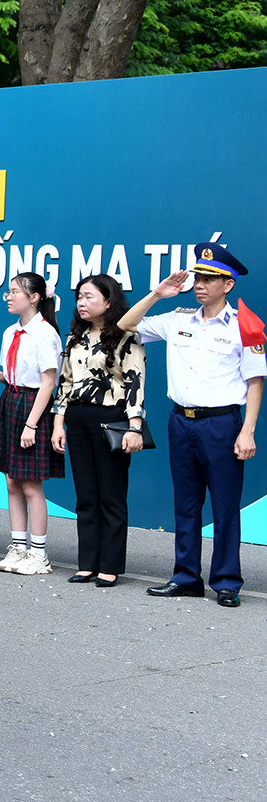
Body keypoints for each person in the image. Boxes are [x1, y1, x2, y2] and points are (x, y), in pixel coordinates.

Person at [121, 243, 263, 606]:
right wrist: (159, 293)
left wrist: (247, 431)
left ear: (227, 285)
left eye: (209, 279)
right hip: (181, 422)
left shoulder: (242, 326)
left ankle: (227, 581)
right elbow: (126, 324)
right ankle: (186, 576)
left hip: (222, 424)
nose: (200, 284)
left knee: (225, 505)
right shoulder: (178, 319)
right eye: (198, 277)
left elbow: (255, 381)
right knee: (185, 504)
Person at [50, 275, 147, 587]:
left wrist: (135, 427)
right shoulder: (74, 338)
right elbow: (64, 383)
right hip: (77, 418)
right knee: (86, 494)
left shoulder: (125, 336)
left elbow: (135, 382)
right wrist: (57, 423)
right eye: (79, 296)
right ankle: (87, 562)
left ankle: (110, 565)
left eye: (89, 297)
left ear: (109, 301)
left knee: (111, 494)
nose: (82, 302)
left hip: (112, 418)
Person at [0, 272, 64, 576]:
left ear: (35, 297)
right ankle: (18, 546)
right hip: (11, 401)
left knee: (31, 484)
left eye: (15, 292)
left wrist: (32, 424)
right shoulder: (11, 332)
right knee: (11, 479)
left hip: (32, 406)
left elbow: (48, 382)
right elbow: (15, 375)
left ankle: (39, 554)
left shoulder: (45, 333)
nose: (9, 297)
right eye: (8, 292)